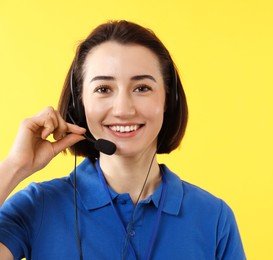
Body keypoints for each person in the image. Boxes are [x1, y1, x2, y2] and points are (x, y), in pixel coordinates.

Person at [0, 20, 246, 259]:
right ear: (79, 103)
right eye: (103, 89)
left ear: (168, 100)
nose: (123, 109)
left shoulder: (213, 218)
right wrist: (14, 166)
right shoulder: (38, 206)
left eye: (142, 88)